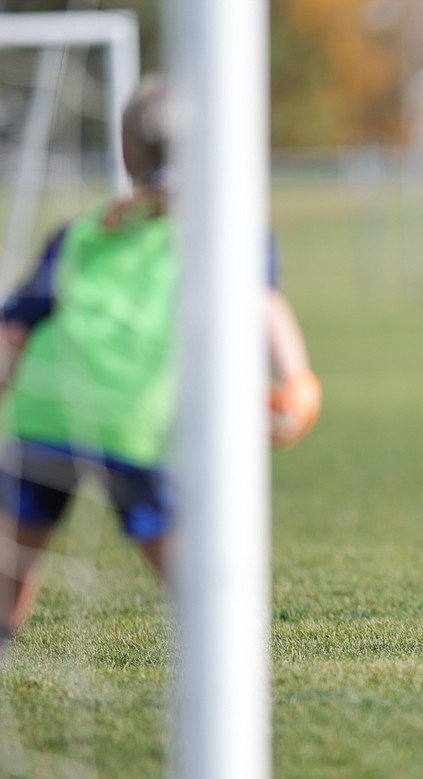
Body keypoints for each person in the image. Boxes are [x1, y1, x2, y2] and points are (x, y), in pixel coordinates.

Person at [0, 76, 320, 655]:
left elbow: (15, 331)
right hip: (134, 417)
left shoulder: (87, 230)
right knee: (197, 588)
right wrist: (298, 385)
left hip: (43, 410)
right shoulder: (227, 231)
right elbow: (262, 302)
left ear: (125, 153)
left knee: (11, 575)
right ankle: (224, 666)